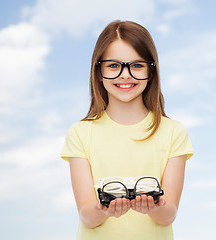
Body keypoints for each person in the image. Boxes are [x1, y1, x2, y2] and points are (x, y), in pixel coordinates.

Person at [61, 20, 194, 240]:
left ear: (151, 71)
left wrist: (153, 207)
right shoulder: (80, 133)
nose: (125, 75)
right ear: (99, 72)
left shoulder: (173, 132)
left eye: (137, 65)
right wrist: (103, 210)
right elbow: (86, 215)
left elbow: (168, 215)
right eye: (113, 65)